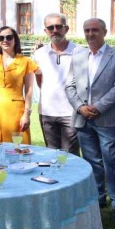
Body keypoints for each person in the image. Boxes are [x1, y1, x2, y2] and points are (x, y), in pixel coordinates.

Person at [65, 18, 115, 220]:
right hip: (83, 118)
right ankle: (98, 198)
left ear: (104, 32)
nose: (90, 34)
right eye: (87, 30)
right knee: (91, 161)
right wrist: (80, 107)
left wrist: (98, 107)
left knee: (111, 161)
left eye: (95, 30)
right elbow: (69, 85)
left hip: (108, 118)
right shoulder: (78, 55)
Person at [33, 13, 80, 155]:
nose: (55, 30)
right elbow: (40, 81)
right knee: (51, 154)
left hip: (71, 112)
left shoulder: (80, 52)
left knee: (70, 155)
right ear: (45, 31)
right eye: (50, 27)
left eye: (58, 26)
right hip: (47, 112)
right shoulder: (39, 54)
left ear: (66, 28)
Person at [0, 26, 38, 144]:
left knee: (17, 148)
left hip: (16, 111)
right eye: (1, 38)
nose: (5, 40)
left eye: (9, 37)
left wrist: (27, 113)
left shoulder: (26, 62)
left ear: (15, 40)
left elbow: (29, 90)